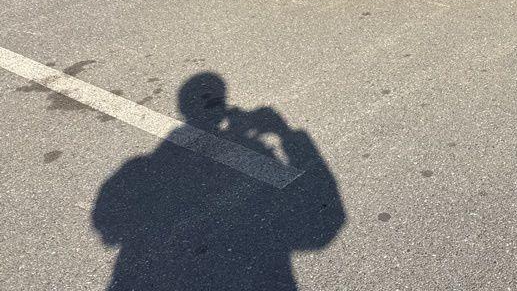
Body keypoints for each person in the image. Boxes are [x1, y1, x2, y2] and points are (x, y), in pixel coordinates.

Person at [92, 73, 344, 290]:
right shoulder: (141, 167)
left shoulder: (139, 168)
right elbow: (321, 228)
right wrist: (286, 134)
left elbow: (106, 223)